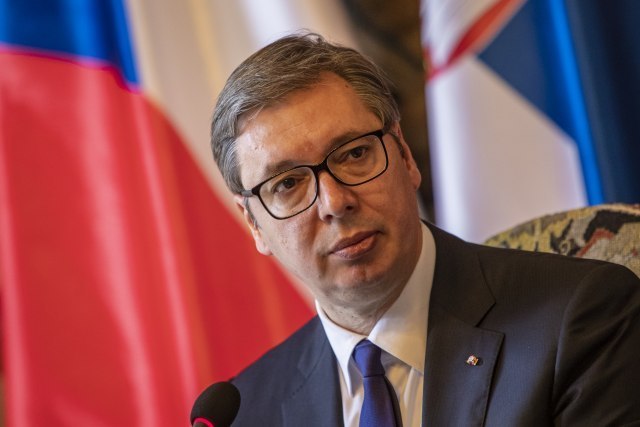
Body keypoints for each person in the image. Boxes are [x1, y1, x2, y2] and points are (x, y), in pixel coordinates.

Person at [202, 32, 640, 426]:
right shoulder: (246, 411)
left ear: (405, 156)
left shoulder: (578, 320)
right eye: (288, 184)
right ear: (254, 224)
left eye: (354, 154)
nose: (335, 203)